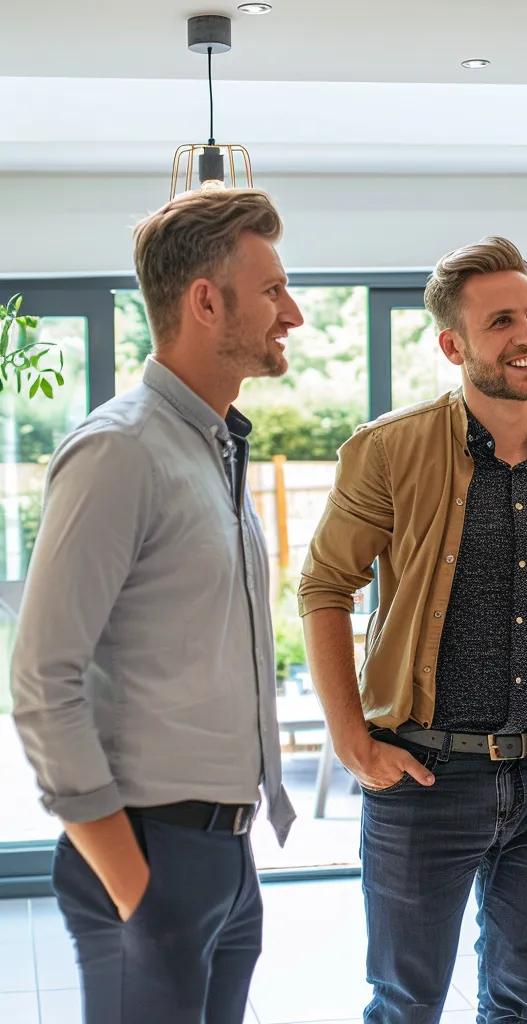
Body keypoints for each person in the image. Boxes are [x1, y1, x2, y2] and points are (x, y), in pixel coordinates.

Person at [298, 236, 527, 1024]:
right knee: (406, 1003)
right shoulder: (387, 450)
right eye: (500, 322)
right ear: (453, 346)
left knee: (521, 1002)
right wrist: (352, 741)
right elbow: (324, 586)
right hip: (423, 775)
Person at [11, 189, 303, 1024]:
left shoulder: (211, 451)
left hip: (225, 856)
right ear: (206, 302)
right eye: (273, 291)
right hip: (148, 856)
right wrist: (136, 889)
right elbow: (42, 681)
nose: (293, 314)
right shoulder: (121, 450)